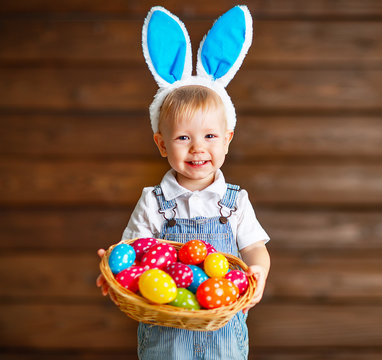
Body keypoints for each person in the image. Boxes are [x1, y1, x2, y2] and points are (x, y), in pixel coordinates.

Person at [96, 5, 270, 359]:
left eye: (209, 136)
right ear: (161, 143)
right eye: (182, 139)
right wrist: (115, 268)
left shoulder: (235, 201)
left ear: (227, 140)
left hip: (221, 329)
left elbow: (253, 248)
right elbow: (133, 252)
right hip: (167, 331)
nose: (197, 149)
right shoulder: (153, 200)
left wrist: (258, 272)